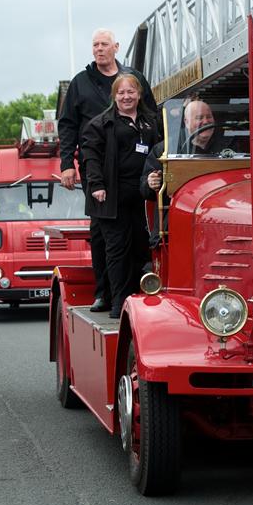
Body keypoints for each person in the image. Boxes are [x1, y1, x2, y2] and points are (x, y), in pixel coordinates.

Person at [58, 29, 158, 313]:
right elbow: (67, 125)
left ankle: (140, 290)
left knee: (141, 234)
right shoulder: (80, 83)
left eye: (104, 44)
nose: (99, 49)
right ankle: (105, 292)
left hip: (136, 175)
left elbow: (152, 117)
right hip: (97, 169)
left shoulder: (134, 79)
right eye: (95, 45)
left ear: (116, 47)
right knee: (104, 235)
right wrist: (67, 164)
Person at [81, 73, 160, 319]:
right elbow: (90, 156)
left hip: (143, 196)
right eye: (121, 93)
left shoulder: (151, 122)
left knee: (141, 248)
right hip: (111, 198)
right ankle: (119, 303)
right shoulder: (99, 124)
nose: (126, 97)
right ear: (114, 96)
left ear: (139, 94)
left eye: (131, 92)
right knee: (116, 252)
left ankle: (142, 299)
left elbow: (160, 150)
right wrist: (96, 185)